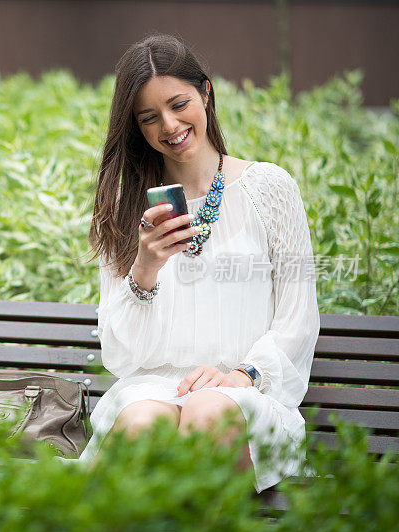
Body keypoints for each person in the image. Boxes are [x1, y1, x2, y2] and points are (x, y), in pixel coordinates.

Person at [78, 34, 320, 493]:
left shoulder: (269, 188)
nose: (169, 126)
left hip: (248, 393)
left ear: (206, 93)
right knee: (141, 421)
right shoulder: (126, 205)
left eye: (179, 104)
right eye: (149, 118)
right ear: (136, 128)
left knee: (210, 409)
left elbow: (297, 318)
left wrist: (241, 374)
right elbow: (120, 355)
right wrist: (144, 269)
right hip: (152, 389)